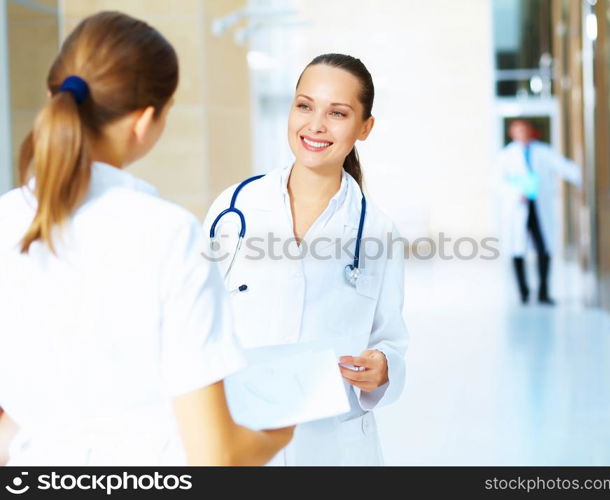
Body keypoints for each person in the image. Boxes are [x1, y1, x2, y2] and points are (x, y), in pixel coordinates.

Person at [0, 11, 292, 466]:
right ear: (146, 121)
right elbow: (216, 456)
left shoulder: (4, 219)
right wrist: (280, 430)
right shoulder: (169, 236)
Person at [204, 54, 409, 465]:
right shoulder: (233, 207)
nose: (315, 125)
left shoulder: (377, 231)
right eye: (304, 105)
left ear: (365, 127)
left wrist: (383, 366)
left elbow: (390, 339)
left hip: (333, 447)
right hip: (243, 432)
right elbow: (197, 319)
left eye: (337, 113)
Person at [495, 119, 581, 305]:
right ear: (512, 133)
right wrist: (517, 193)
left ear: (530, 131)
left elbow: (564, 167)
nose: (522, 133)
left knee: (544, 248)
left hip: (539, 207)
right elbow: (497, 183)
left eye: (525, 129)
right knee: (517, 249)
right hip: (518, 207)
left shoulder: (543, 151)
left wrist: (584, 177)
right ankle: (523, 292)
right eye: (518, 130)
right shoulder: (505, 156)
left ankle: (543, 291)